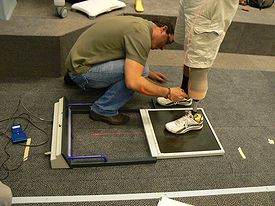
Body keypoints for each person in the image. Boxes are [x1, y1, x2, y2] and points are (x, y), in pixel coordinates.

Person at [65, 15, 186, 125]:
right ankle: (103, 110)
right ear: (163, 29)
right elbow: (133, 82)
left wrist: (150, 73)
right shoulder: (141, 34)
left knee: (144, 70)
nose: (163, 48)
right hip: (81, 71)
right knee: (140, 72)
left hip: (78, 60)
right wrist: (168, 92)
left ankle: (74, 77)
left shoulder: (139, 25)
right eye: (167, 41)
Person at [156, 0, 239, 134]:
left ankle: (195, 118)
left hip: (211, 5)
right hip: (192, 3)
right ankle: (185, 95)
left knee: (199, 64)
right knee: (190, 50)